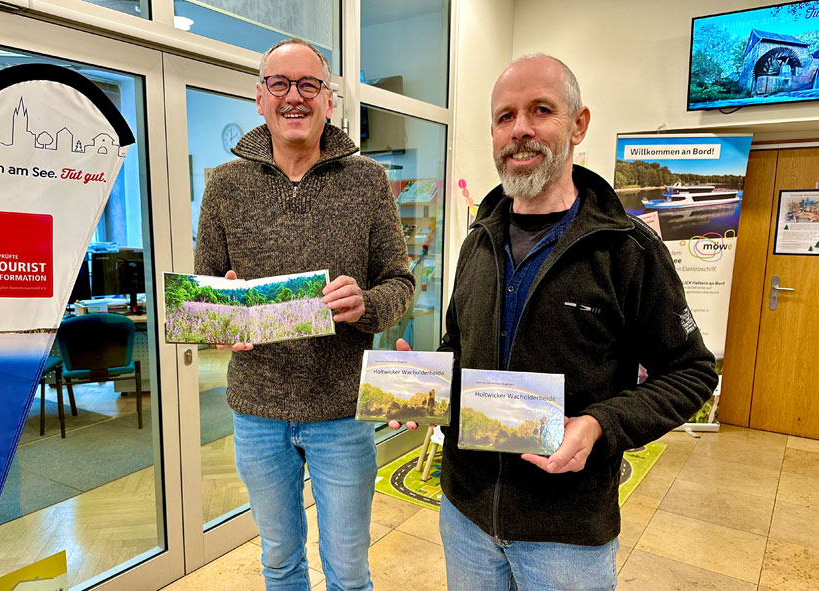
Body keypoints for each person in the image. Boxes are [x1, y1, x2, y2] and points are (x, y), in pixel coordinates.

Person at [396, 54, 717, 590]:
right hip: (465, 515)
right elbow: (461, 345)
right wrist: (424, 384)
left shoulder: (629, 250)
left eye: (540, 110)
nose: (520, 129)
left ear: (578, 124)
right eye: (505, 116)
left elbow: (692, 373)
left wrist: (599, 425)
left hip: (567, 535)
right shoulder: (477, 242)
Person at [195, 38, 414, 591]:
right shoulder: (223, 185)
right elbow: (204, 294)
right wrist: (221, 317)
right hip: (257, 412)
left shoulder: (367, 182)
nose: (294, 97)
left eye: (308, 85)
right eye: (280, 84)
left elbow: (401, 283)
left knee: (348, 571)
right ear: (260, 99)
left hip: (342, 411)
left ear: (329, 99)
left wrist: (367, 305)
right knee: (280, 563)